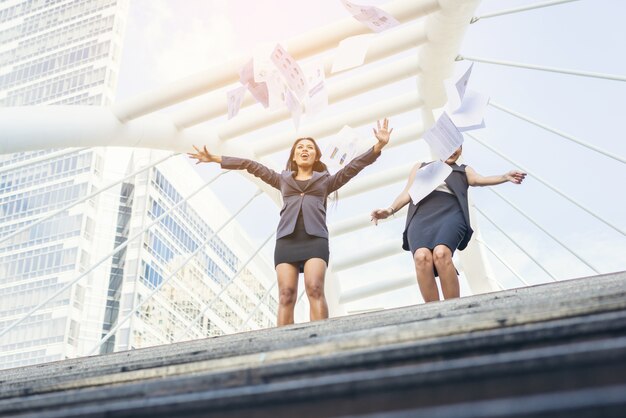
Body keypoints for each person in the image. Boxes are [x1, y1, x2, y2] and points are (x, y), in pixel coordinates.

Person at [188, 119, 392, 325]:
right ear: (294, 156)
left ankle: (321, 341)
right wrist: (215, 158)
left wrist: (378, 146)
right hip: (287, 240)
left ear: (316, 156)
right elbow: (250, 165)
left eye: (310, 148)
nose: (305, 150)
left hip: (315, 240)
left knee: (315, 288)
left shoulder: (325, 181)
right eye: (300, 147)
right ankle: (283, 347)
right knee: (286, 294)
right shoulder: (281, 179)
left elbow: (353, 167)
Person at [370, 146, 526, 303]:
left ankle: (453, 308)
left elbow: (479, 180)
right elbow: (407, 193)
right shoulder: (421, 167)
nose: (453, 150)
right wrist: (389, 211)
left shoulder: (463, 170)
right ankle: (433, 312)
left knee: (441, 253)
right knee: (421, 257)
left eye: (457, 147)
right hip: (421, 216)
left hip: (451, 214)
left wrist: (504, 176)